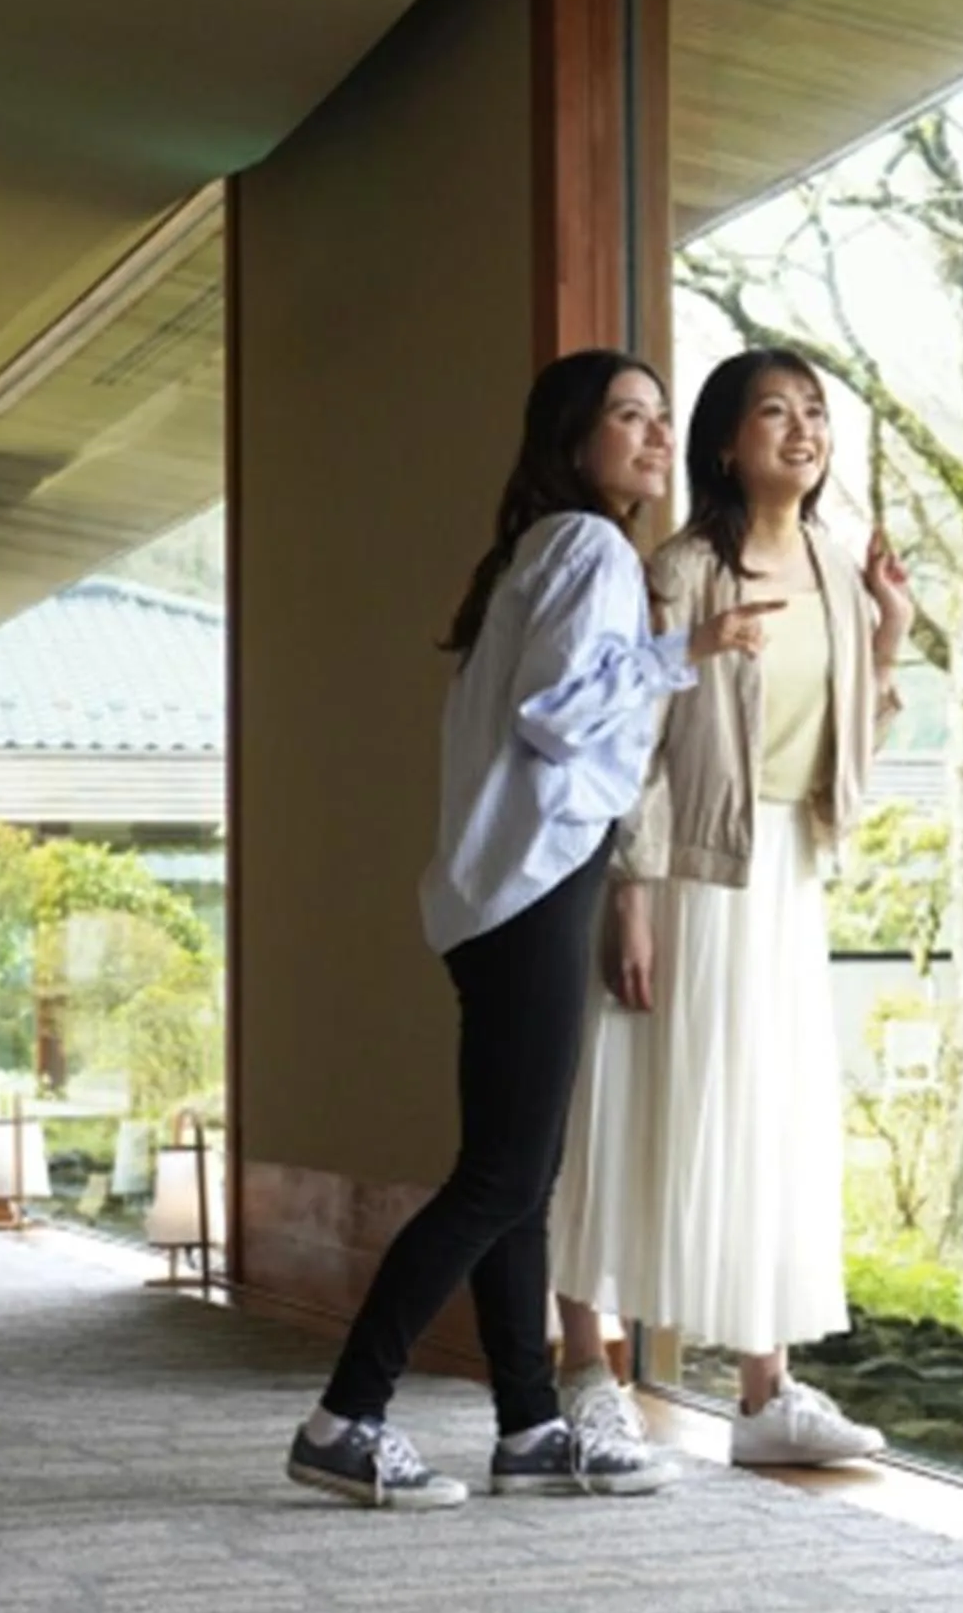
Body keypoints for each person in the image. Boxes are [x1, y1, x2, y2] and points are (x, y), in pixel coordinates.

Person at [286, 349, 779, 1509]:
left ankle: (526, 1426)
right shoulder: (589, 546)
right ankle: (346, 1416)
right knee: (503, 1174)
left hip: (502, 888)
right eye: (630, 418)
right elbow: (559, 716)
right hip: (533, 884)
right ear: (572, 441)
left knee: (522, 1173)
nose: (658, 437)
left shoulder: (546, 549)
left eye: (664, 417)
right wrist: (689, 652)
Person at [550, 347, 914, 1468]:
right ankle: (582, 1368)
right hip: (680, 870)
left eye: (815, 412)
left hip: (785, 876)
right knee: (622, 1108)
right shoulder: (683, 569)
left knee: (773, 1119)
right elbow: (637, 750)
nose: (803, 430)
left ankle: (767, 1396)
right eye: (775, 411)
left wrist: (893, 628)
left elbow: (849, 747)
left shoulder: (841, 573)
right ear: (725, 441)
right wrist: (632, 900)